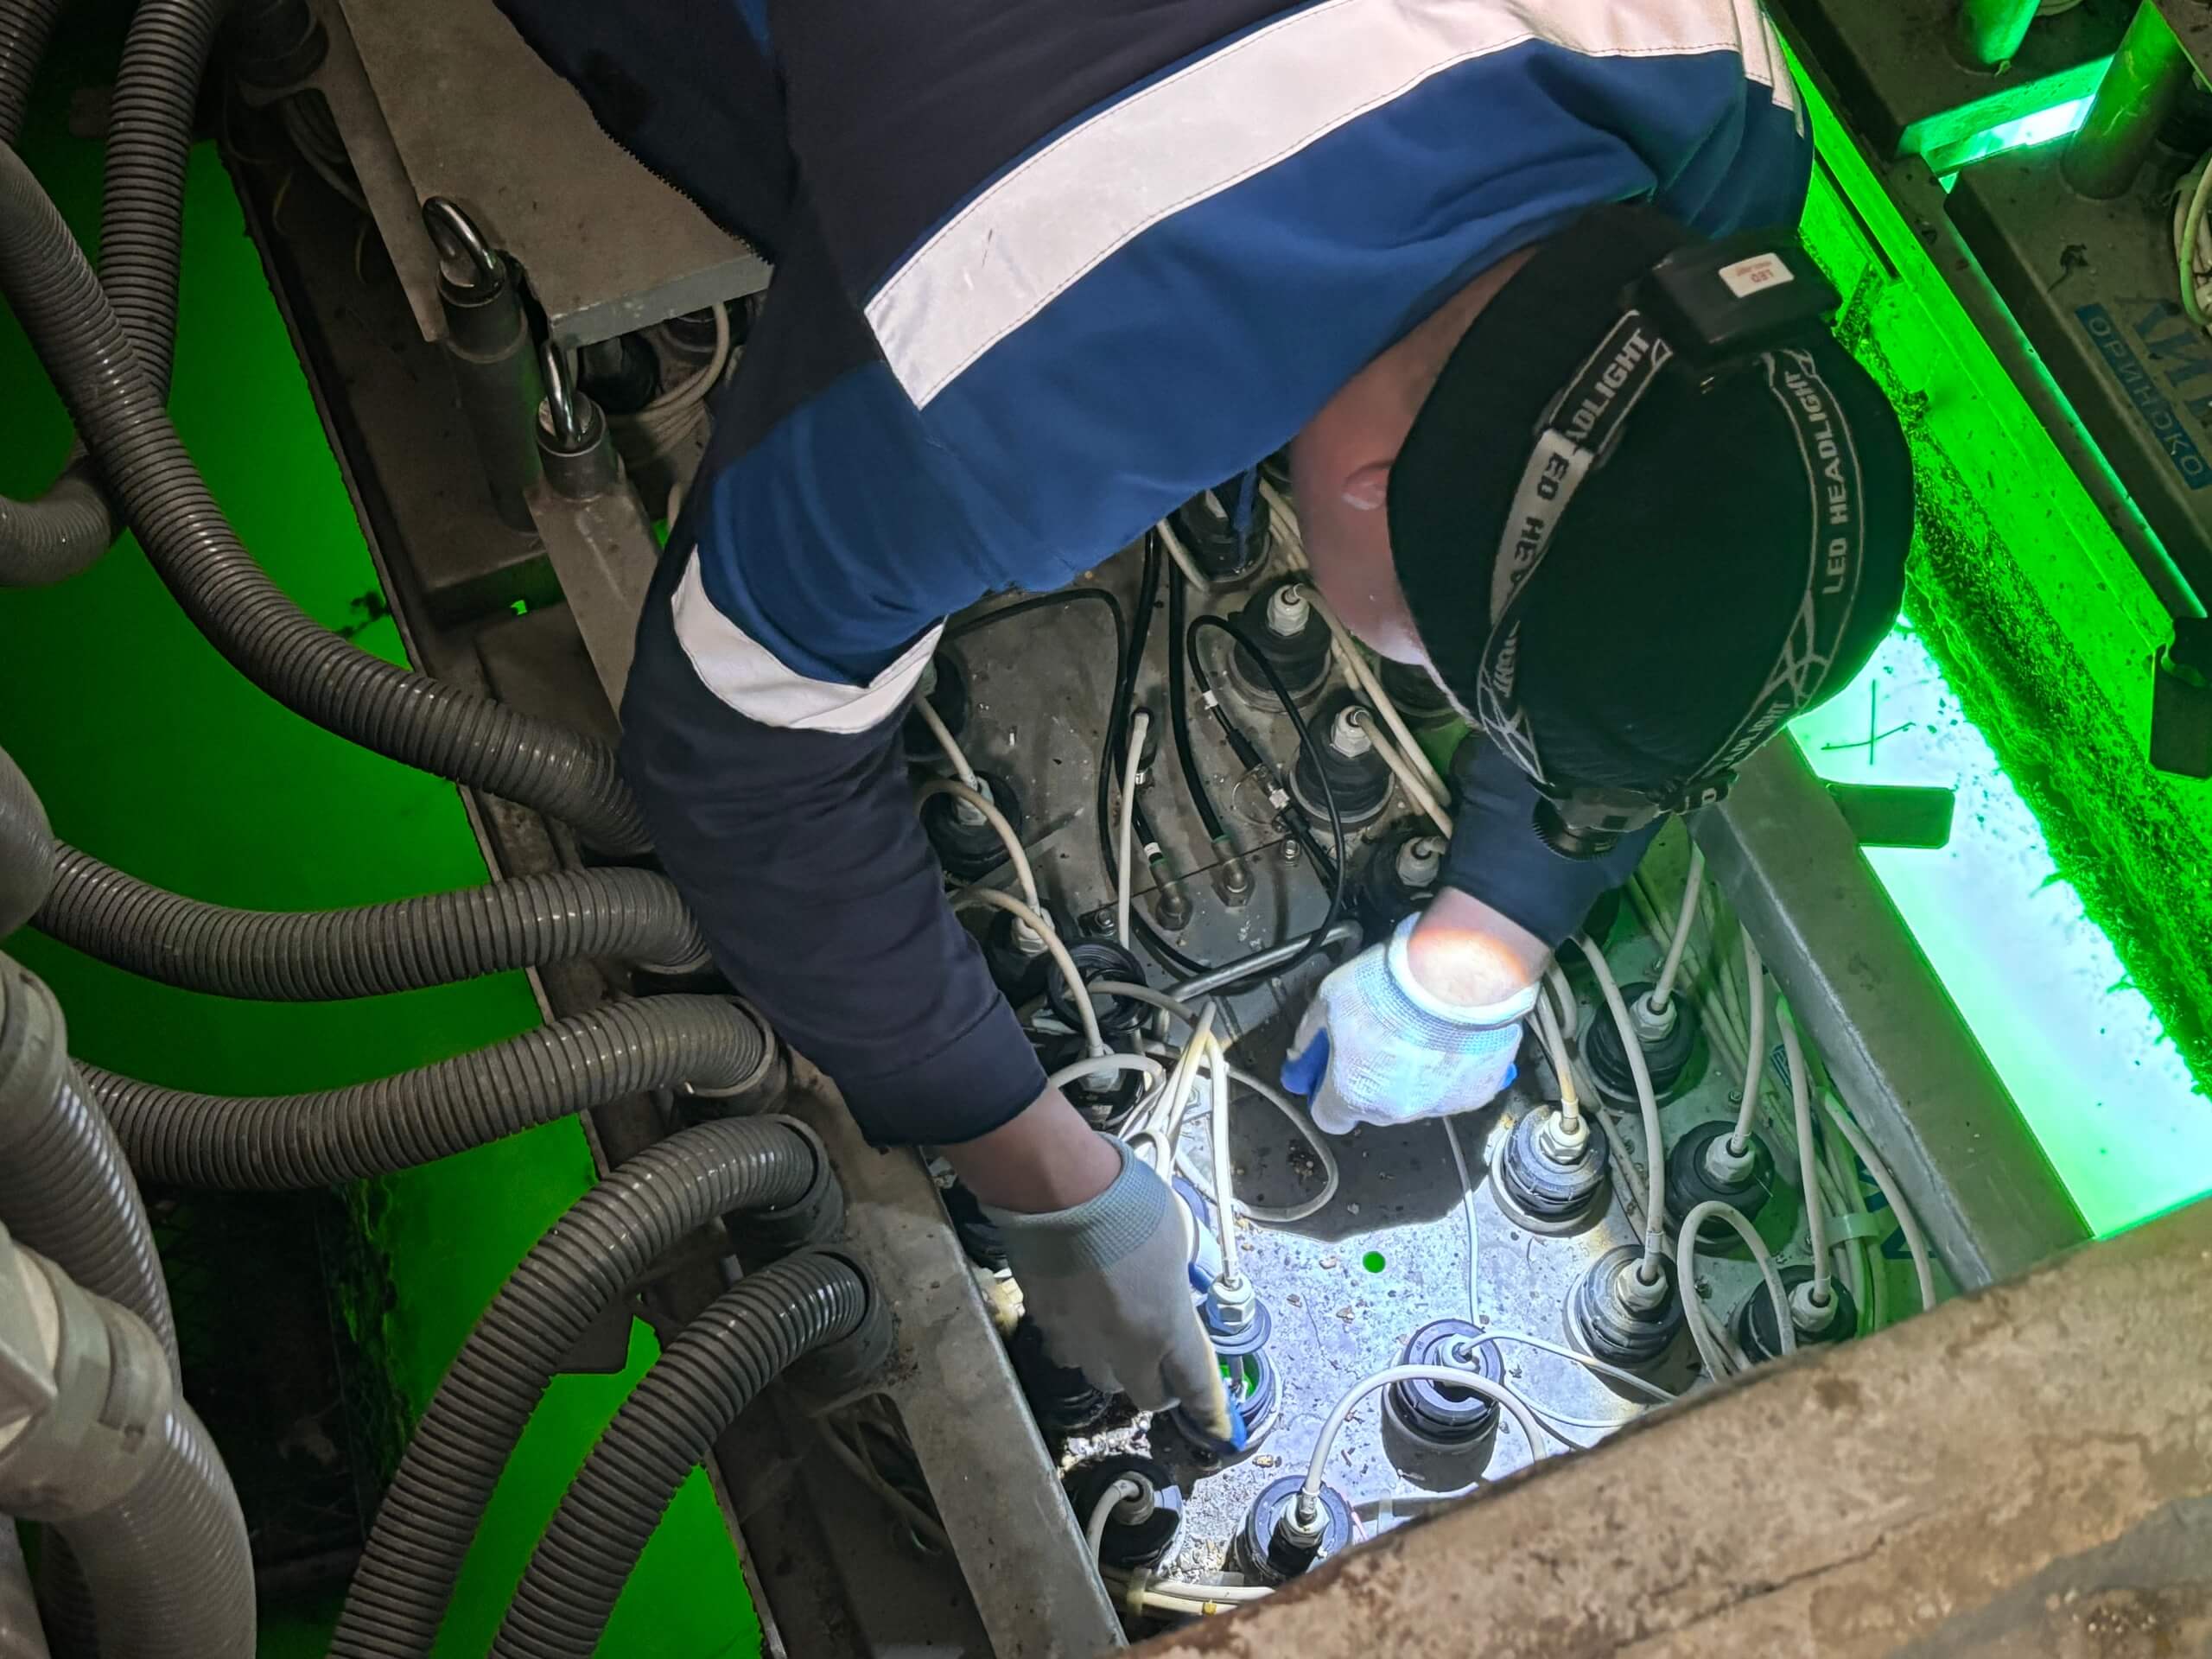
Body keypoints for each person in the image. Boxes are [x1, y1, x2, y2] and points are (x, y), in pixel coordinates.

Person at [497, 0, 1914, 1438]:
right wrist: (1036, 1169)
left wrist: (1498, 926)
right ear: (1363, 499)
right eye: (1444, 671)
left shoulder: (1723, 101)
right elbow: (734, 747)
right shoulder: (1009, 383)